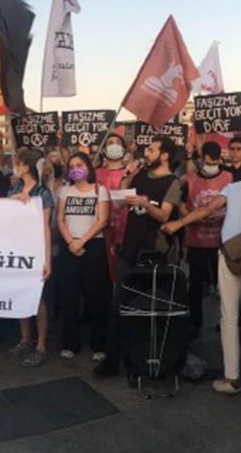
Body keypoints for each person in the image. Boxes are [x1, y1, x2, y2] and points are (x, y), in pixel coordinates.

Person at [162, 154, 241, 394]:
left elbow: (208, 208)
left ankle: (232, 377)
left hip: (232, 253)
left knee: (229, 314)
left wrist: (178, 224)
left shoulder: (231, 187)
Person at [92, 136, 181, 379]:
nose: (147, 154)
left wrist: (145, 203)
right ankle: (112, 360)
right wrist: (127, 175)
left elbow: (164, 215)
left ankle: (142, 362)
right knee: (118, 305)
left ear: (164, 155)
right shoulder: (141, 175)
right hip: (129, 249)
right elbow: (120, 200)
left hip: (154, 253)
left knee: (147, 309)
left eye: (151, 150)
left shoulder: (173, 182)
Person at [57, 152, 110, 361]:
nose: (75, 169)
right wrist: (71, 241)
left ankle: (99, 344)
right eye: (71, 166)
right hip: (69, 246)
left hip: (93, 246)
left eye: (79, 164)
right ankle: (70, 343)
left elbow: (102, 220)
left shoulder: (100, 190)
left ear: (88, 167)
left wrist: (81, 241)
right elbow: (60, 219)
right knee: (69, 297)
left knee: (96, 296)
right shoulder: (64, 191)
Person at [181, 142, 233, 338]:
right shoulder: (191, 179)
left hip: (222, 242)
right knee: (195, 284)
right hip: (197, 242)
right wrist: (193, 215)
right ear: (201, 159)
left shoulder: (229, 178)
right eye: (206, 160)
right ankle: (195, 321)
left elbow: (232, 204)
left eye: (213, 160)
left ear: (219, 159)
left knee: (226, 286)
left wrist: (218, 215)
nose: (209, 164)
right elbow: (182, 204)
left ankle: (229, 323)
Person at [8, 148, 53, 368]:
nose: (16, 166)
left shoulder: (43, 193)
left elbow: (45, 228)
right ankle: (25, 338)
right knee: (20, 295)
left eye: (18, 163)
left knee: (39, 299)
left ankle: (41, 344)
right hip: (18, 247)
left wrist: (47, 260)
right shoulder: (15, 187)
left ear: (26, 166)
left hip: (35, 249)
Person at [95, 133, 129, 282]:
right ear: (103, 150)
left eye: (117, 143)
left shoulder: (133, 172)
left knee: (122, 274)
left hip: (126, 231)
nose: (114, 145)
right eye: (110, 143)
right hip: (100, 230)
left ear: (124, 149)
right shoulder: (95, 174)